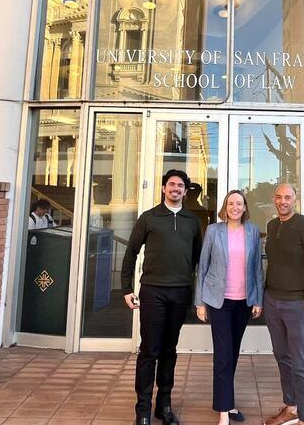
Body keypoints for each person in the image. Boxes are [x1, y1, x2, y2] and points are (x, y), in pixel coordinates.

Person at [121, 169, 203, 425]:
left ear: (185, 191)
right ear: (164, 188)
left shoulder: (193, 221)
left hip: (180, 292)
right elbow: (131, 252)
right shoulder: (149, 217)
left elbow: (200, 260)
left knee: (169, 350)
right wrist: (126, 288)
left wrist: (201, 294)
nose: (176, 189)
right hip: (152, 292)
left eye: (180, 186)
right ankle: (143, 410)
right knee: (149, 350)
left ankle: (164, 405)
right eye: (172, 184)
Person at [195, 190, 264, 425]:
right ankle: (224, 412)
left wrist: (258, 299)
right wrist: (199, 302)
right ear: (225, 207)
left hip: (244, 302)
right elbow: (202, 265)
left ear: (245, 208)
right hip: (219, 302)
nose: (235, 207)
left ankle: (228, 400)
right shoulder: (214, 231)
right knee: (223, 355)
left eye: (239, 203)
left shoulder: (253, 231)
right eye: (231, 203)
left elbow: (257, 267)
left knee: (233, 352)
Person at [262, 184, 304, 425]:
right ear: (274, 199)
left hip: (297, 305)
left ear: (295, 200)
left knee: (300, 363)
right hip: (273, 302)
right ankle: (291, 408)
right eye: (279, 197)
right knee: (282, 358)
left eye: (287, 197)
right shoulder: (272, 225)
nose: (283, 201)